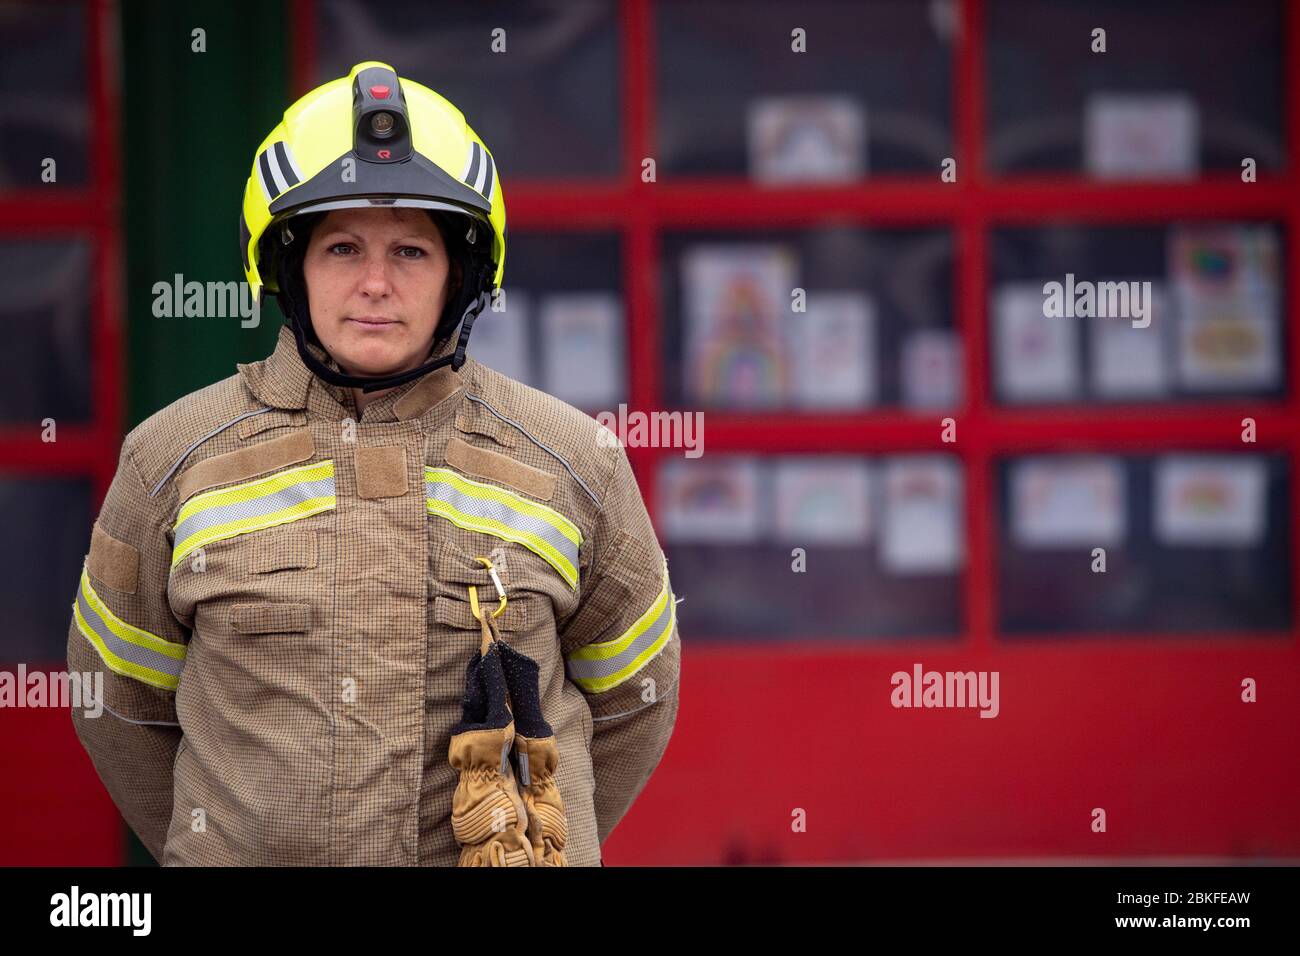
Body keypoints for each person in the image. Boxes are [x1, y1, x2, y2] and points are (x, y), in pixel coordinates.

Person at [65, 61, 681, 866]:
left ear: (461, 273)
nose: (376, 284)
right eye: (343, 247)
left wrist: (544, 838)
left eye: (412, 252)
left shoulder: (574, 462)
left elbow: (639, 700)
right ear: (290, 267)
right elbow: (115, 702)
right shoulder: (170, 461)